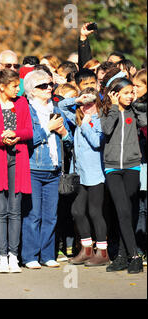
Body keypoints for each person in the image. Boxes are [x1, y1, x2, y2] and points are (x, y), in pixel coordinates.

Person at [0, 69, 33, 273]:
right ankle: (2, 256)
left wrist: (16, 135)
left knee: (15, 210)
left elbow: (29, 131)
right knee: (0, 210)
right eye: (14, 86)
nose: (17, 89)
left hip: (18, 157)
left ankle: (14, 255)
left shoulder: (21, 103)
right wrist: (1, 138)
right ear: (2, 86)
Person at [21, 70, 73, 269]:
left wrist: (64, 132)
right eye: (42, 86)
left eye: (50, 84)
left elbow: (69, 142)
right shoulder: (28, 110)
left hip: (54, 168)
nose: (49, 88)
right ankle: (30, 256)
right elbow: (29, 139)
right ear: (32, 91)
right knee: (33, 215)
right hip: (34, 167)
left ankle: (47, 254)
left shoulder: (57, 108)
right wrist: (48, 128)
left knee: (51, 215)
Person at [58, 88, 110, 266]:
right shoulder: (78, 118)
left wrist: (87, 123)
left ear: (98, 103)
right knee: (77, 211)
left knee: (95, 212)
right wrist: (77, 100)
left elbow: (97, 142)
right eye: (84, 104)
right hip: (80, 174)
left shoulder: (101, 119)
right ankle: (86, 249)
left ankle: (102, 252)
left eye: (91, 103)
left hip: (96, 174)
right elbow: (61, 106)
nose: (86, 107)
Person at [101, 77, 146, 274]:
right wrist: (112, 108)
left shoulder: (134, 111)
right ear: (115, 93)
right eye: (126, 92)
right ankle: (134, 256)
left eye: (132, 92)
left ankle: (121, 256)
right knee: (122, 210)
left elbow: (144, 123)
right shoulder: (106, 111)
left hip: (132, 167)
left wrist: (135, 104)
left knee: (127, 211)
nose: (129, 96)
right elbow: (106, 129)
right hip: (112, 168)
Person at [132, 69, 147, 265]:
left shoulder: (140, 107)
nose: (134, 90)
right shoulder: (130, 105)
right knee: (140, 208)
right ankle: (139, 248)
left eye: (138, 86)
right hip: (136, 163)